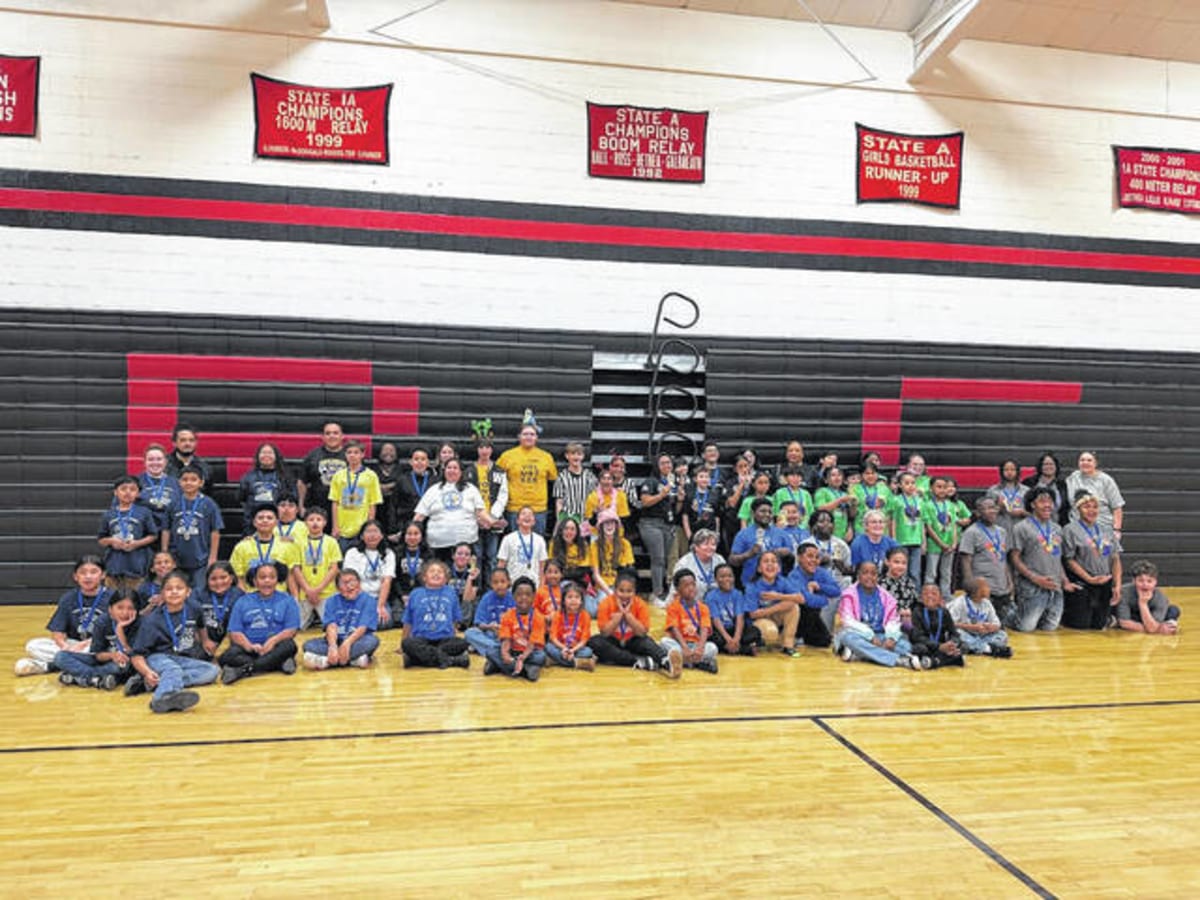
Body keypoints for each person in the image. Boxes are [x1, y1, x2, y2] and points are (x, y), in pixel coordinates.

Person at [128, 569, 219, 713]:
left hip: (182, 658)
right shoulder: (152, 621)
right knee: (172, 670)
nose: (174, 592)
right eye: (169, 589)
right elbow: (136, 655)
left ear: (188, 592)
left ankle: (155, 684)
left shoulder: (194, 607)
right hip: (158, 658)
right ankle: (160, 699)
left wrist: (206, 640)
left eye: (179, 588)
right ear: (162, 594)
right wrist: (146, 672)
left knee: (212, 671)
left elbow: (201, 625)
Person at [14, 555, 113, 677]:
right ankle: (71, 661)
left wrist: (82, 645)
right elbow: (57, 631)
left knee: (108, 651)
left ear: (103, 575)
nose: (88, 576)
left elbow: (115, 633)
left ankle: (48, 666)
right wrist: (64, 646)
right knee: (33, 645)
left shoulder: (113, 598)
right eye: (83, 572)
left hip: (99, 645)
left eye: (93, 572)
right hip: (74, 645)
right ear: (76, 577)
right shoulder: (68, 598)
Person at [1008, 486, 1077, 632]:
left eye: (1050, 501)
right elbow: (1014, 558)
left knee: (1050, 627)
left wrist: (1065, 581)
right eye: (1042, 501)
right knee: (1026, 628)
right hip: (1032, 586)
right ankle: (1006, 613)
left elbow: (1057, 558)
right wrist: (1035, 578)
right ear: (1032, 504)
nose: (1047, 505)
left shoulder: (1057, 528)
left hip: (1055, 585)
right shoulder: (1021, 527)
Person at [218, 560, 300, 684]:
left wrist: (272, 641)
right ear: (255, 581)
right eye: (262, 577)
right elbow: (234, 631)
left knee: (289, 646)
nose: (267, 580)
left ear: (277, 580)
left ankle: (243, 671)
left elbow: (291, 630)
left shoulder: (288, 600)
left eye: (272, 577)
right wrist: (249, 646)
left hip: (275, 646)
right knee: (226, 657)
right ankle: (277, 663)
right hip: (249, 649)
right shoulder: (242, 601)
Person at [587, 570, 681, 677]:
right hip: (613, 641)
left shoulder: (640, 604)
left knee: (647, 642)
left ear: (635, 592)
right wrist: (617, 618)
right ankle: (637, 660)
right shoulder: (606, 603)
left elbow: (642, 632)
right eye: (621, 591)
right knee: (594, 642)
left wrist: (628, 616)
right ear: (615, 590)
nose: (625, 595)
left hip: (633, 640)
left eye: (629, 591)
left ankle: (666, 662)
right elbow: (605, 633)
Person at [832, 561, 921, 670]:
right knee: (848, 638)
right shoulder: (848, 595)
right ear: (858, 575)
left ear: (877, 576)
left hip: (880, 635)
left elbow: (893, 620)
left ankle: (860, 655)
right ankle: (898, 660)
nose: (869, 577)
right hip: (857, 634)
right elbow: (848, 621)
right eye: (865, 573)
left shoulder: (887, 597)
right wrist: (870, 636)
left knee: (906, 646)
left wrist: (891, 637)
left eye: (873, 574)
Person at [54, 588, 140, 689]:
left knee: (123, 666)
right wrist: (112, 656)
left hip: (124, 664)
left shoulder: (141, 624)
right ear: (110, 609)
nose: (125, 612)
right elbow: (97, 655)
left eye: (130, 608)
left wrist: (120, 629)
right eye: (120, 608)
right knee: (61, 657)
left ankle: (80, 677)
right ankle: (95, 679)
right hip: (104, 661)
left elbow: (133, 655)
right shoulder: (102, 621)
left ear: (137, 611)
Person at [1063, 491, 1123, 630]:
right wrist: (1089, 579)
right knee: (1081, 624)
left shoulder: (1107, 529)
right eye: (1086, 507)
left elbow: (1115, 558)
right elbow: (1069, 560)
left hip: (1104, 580)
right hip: (1083, 580)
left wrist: (1117, 585)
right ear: (1078, 509)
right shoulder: (1070, 530)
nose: (1091, 510)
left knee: (1099, 625)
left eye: (1094, 507)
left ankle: (1110, 616)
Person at [302, 568, 380, 670]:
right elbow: (331, 625)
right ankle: (353, 660)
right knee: (308, 645)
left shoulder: (369, 600)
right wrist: (333, 647)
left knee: (372, 641)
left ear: (359, 583)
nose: (349, 585)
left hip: (356, 640)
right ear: (338, 588)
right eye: (345, 583)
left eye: (352, 581)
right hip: (336, 640)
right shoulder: (331, 601)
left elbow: (362, 628)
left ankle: (327, 661)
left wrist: (347, 644)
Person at [399, 560, 470, 669]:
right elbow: (408, 621)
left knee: (463, 643)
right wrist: (402, 642)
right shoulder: (415, 593)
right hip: (422, 639)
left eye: (440, 572)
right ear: (424, 577)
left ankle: (417, 660)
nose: (436, 574)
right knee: (407, 644)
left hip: (444, 639)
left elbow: (455, 621)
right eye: (432, 571)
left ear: (446, 579)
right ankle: (452, 660)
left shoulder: (451, 593)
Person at [162, 464, 223, 590]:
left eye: (193, 479)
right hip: (176, 559)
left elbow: (215, 532)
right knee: (177, 589)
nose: (189, 483)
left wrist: (212, 558)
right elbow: (166, 530)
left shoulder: (209, 504)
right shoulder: (173, 503)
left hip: (201, 559)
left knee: (198, 592)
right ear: (179, 482)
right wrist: (165, 552)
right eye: (185, 479)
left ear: (201, 482)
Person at [413, 457, 487, 559]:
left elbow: (481, 512)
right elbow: (419, 516)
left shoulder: (471, 489)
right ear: (444, 471)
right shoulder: (434, 490)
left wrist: (492, 522)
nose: (451, 470)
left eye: (455, 468)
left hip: (466, 544)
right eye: (449, 467)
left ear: (461, 472)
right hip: (438, 545)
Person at [97, 475, 158, 592]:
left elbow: (153, 535)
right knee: (112, 598)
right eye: (123, 489)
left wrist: (137, 543)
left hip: (136, 563)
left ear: (138, 493)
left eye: (132, 489)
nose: (128, 492)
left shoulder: (144, 512)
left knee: (135, 599)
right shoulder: (108, 514)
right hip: (114, 564)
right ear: (115, 492)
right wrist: (112, 541)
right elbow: (101, 539)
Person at [496, 420, 558, 534]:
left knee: (537, 543)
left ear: (536, 438)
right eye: (525, 434)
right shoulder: (507, 456)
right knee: (515, 544)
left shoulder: (546, 457)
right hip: (515, 508)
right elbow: (496, 480)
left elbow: (552, 478)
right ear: (519, 437)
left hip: (538, 509)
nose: (528, 437)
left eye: (532, 434)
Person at [957, 497, 1014, 622]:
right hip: (984, 589)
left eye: (993, 507)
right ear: (977, 513)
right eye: (986, 508)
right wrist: (970, 584)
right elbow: (966, 560)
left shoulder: (1002, 532)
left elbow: (1004, 559)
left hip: (1002, 588)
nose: (991, 511)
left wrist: (1010, 582)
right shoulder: (971, 532)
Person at [462, 429, 508, 580]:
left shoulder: (498, 471)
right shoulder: (469, 471)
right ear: (477, 450)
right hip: (475, 521)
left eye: (487, 447)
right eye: (481, 447)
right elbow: (466, 496)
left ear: (491, 450)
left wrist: (492, 517)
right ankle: (476, 590)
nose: (484, 451)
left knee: (492, 557)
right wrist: (479, 517)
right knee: (477, 556)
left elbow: (503, 494)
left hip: (493, 520)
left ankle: (491, 588)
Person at [638, 452, 684, 605]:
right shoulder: (651, 481)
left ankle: (665, 592)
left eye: (669, 463)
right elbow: (644, 502)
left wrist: (680, 500)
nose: (667, 466)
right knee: (658, 559)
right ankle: (656, 593)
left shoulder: (673, 483)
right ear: (657, 466)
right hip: (651, 523)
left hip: (668, 524)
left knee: (666, 560)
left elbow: (675, 510)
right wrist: (661, 494)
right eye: (663, 463)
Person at [483, 576, 547, 681]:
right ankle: (526, 670)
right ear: (513, 596)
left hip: (529, 652)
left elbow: (532, 643)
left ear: (534, 596)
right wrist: (505, 654)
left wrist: (523, 657)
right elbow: (506, 639)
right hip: (512, 650)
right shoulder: (508, 615)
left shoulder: (539, 617)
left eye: (528, 594)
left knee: (541, 657)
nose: (524, 598)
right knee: (490, 651)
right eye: (519, 594)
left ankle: (498, 666)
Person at [230, 503, 301, 594]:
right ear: (254, 522)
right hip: (252, 598)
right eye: (260, 518)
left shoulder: (286, 547)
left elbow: (290, 577)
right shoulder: (241, 547)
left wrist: (295, 600)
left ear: (276, 522)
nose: (265, 520)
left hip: (278, 599)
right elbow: (239, 578)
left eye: (269, 518)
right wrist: (246, 599)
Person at [743, 551, 802, 656]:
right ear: (759, 569)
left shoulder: (782, 581)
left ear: (779, 568)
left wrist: (778, 596)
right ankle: (759, 641)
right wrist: (779, 606)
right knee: (770, 632)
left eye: (774, 561)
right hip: (757, 621)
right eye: (766, 561)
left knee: (794, 608)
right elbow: (753, 614)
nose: (770, 564)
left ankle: (788, 645)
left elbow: (800, 598)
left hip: (772, 615)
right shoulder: (752, 586)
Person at [328, 439, 382, 552]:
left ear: (362, 454)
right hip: (342, 527)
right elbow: (335, 502)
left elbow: (372, 503)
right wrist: (335, 526)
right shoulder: (338, 476)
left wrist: (369, 527)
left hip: (361, 527)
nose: (352, 455)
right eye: (349, 452)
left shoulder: (371, 476)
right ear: (345, 455)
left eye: (356, 452)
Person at [661, 571, 719, 674]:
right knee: (664, 642)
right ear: (678, 590)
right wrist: (684, 648)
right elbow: (674, 628)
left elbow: (704, 628)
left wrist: (700, 648)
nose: (691, 588)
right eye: (686, 586)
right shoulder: (673, 607)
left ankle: (685, 662)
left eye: (693, 584)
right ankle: (698, 662)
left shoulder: (703, 607)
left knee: (712, 648)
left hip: (696, 645)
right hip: (680, 644)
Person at [294, 507, 342, 627]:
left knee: (333, 626)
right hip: (305, 592)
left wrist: (318, 590)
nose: (315, 523)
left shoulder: (331, 542)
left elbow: (334, 568)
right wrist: (309, 590)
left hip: (326, 592)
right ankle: (310, 619)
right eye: (311, 519)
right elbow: (296, 568)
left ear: (325, 522)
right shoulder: (299, 542)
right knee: (296, 626)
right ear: (305, 523)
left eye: (319, 519)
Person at [342, 520, 395, 630]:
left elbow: (386, 581)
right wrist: (364, 603)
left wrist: (380, 606)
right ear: (361, 536)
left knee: (385, 622)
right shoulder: (352, 553)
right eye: (368, 532)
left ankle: (362, 623)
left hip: (378, 598)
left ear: (381, 535)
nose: (372, 535)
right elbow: (350, 580)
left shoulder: (389, 553)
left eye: (375, 531)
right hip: (357, 597)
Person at [729, 497, 791, 587]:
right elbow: (732, 560)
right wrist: (748, 554)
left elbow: (792, 557)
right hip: (750, 584)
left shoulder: (781, 533)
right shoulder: (743, 534)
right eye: (762, 511)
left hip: (777, 585)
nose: (767, 514)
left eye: (770, 512)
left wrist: (785, 552)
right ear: (753, 513)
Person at [238, 443, 296, 536]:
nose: (266, 455)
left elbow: (291, 500)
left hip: (278, 526)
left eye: (270, 453)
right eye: (263, 452)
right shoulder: (248, 477)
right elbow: (241, 498)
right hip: (252, 526)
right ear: (258, 456)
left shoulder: (285, 478)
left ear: (276, 456)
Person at [789, 541, 841, 642]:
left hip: (813, 615)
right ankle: (794, 636)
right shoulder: (794, 576)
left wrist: (819, 586)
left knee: (824, 641)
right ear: (799, 558)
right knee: (806, 607)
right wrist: (824, 599)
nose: (814, 560)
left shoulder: (821, 572)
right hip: (798, 616)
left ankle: (805, 637)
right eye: (809, 556)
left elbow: (836, 591)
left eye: (817, 557)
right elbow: (807, 600)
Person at [705, 562, 760, 655]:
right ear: (716, 579)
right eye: (722, 576)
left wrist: (736, 638)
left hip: (734, 628)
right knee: (712, 637)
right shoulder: (710, 596)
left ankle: (731, 648)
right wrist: (728, 639)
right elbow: (716, 620)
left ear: (734, 578)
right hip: (720, 630)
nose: (726, 579)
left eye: (730, 576)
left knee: (755, 632)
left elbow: (740, 617)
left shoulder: (738, 594)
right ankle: (743, 649)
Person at [1066, 452, 1125, 539]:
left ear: (1095, 463)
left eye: (1089, 460)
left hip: (1102, 527)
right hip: (1078, 530)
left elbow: (1117, 507)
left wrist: (1117, 529)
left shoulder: (1106, 480)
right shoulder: (1073, 478)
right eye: (1082, 460)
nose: (1085, 463)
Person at [948, 579, 1012, 657]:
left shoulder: (987, 603)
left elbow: (997, 624)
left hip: (983, 635)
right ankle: (988, 649)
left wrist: (990, 627)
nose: (989, 589)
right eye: (987, 587)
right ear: (978, 591)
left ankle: (978, 648)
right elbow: (950, 623)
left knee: (1002, 635)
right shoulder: (960, 602)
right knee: (958, 634)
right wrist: (971, 627)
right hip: (967, 633)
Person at [1116, 560, 1181, 635]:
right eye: (1140, 581)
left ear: (1155, 582)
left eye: (1149, 581)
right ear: (1134, 581)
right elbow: (1124, 623)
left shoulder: (1161, 598)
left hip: (1149, 617)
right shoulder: (1124, 592)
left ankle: (1168, 625)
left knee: (1173, 610)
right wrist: (1157, 629)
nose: (1145, 584)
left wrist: (1143, 604)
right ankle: (1164, 626)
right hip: (1132, 616)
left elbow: (1152, 628)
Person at [588, 508, 635, 612]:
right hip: (602, 586)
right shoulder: (594, 546)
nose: (609, 526)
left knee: (626, 607)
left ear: (617, 526)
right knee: (602, 608)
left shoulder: (625, 544)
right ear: (600, 527)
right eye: (606, 523)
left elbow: (627, 573)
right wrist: (609, 592)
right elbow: (596, 575)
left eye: (612, 523)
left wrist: (620, 592)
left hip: (620, 585)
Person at [922, 476, 960, 599]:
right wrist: (940, 543)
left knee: (946, 572)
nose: (942, 490)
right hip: (934, 545)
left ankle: (946, 596)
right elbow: (928, 527)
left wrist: (954, 542)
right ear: (931, 488)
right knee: (931, 573)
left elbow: (954, 525)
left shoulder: (950, 505)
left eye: (944, 487)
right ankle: (929, 596)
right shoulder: (927, 505)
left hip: (949, 544)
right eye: (938, 487)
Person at [909, 584, 964, 669]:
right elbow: (917, 636)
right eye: (926, 594)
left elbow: (954, 632)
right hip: (927, 646)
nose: (930, 596)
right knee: (920, 649)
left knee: (962, 648)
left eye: (934, 593)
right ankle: (938, 661)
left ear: (940, 598)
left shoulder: (944, 612)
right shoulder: (917, 611)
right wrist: (938, 646)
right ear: (921, 598)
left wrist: (952, 644)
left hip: (942, 647)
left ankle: (933, 662)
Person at [196, 561, 242, 661]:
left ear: (231, 578)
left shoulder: (239, 595)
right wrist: (205, 641)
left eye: (223, 577)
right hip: (203, 641)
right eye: (213, 579)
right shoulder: (198, 594)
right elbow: (191, 621)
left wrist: (223, 646)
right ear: (207, 580)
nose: (218, 582)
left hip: (228, 642)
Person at [545, 581, 596, 671]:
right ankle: (577, 663)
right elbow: (553, 637)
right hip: (561, 647)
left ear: (581, 601)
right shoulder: (558, 615)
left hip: (577, 648)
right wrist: (564, 648)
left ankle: (556, 661)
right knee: (548, 647)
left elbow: (584, 640)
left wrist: (573, 650)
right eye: (569, 597)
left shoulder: (585, 615)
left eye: (577, 597)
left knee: (588, 651)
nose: (573, 600)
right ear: (563, 601)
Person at [464, 567, 514, 658]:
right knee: (469, 633)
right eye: (495, 582)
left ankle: (487, 650)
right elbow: (479, 624)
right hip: (490, 634)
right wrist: (490, 626)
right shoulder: (486, 598)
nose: (499, 585)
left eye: (503, 582)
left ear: (509, 582)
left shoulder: (514, 598)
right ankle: (497, 649)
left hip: (509, 636)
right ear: (491, 584)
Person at [298, 421, 347, 512]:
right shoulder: (312, 455)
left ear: (342, 436)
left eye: (335, 433)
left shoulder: (350, 455)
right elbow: (302, 482)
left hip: (344, 508)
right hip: (317, 508)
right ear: (323, 437)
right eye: (328, 433)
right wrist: (301, 505)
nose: (331, 436)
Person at [888, 471, 926, 585]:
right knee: (901, 571)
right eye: (907, 483)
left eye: (913, 483)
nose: (911, 485)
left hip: (916, 541)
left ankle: (915, 596)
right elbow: (892, 521)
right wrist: (893, 539)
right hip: (901, 541)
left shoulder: (920, 501)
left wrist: (923, 541)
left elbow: (922, 522)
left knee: (915, 572)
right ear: (900, 485)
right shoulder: (896, 500)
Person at [496, 505, 548, 586]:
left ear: (534, 521)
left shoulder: (540, 540)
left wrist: (541, 586)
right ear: (517, 521)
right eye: (523, 513)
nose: (527, 516)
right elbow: (501, 564)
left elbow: (542, 567)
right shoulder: (508, 539)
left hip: (534, 585)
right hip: (512, 584)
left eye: (530, 514)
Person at [390, 522, 431, 626]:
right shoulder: (396, 553)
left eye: (416, 534)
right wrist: (402, 595)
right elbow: (394, 578)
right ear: (404, 535)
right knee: (399, 619)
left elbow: (429, 579)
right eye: (409, 534)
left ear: (422, 535)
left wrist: (416, 596)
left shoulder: (428, 553)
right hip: (401, 594)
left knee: (422, 617)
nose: (412, 537)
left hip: (422, 593)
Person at [670, 528, 725, 604]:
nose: (710, 547)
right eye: (706, 544)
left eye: (713, 544)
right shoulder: (684, 563)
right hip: (691, 606)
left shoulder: (720, 560)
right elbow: (675, 591)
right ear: (696, 547)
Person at [137, 444, 182, 535]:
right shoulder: (135, 482)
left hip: (171, 532)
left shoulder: (176, 483)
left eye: (159, 459)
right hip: (144, 532)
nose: (155, 463)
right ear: (144, 462)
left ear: (165, 462)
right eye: (150, 459)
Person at [553, 441, 597, 527]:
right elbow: (559, 503)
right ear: (567, 456)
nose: (576, 457)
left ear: (583, 456)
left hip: (586, 520)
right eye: (573, 454)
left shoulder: (590, 476)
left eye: (579, 454)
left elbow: (595, 499)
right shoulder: (561, 477)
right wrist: (560, 521)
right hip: (568, 520)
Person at [393, 446, 434, 535]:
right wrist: (394, 528)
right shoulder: (402, 480)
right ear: (411, 462)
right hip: (406, 524)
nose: (419, 462)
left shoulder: (435, 481)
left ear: (428, 463)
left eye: (423, 459)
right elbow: (393, 505)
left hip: (430, 525)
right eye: (416, 459)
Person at [986, 458, 1029, 545]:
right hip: (1000, 531)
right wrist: (998, 506)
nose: (1009, 472)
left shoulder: (1026, 491)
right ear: (1001, 472)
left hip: (1021, 531)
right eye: (1006, 469)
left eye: (1012, 469)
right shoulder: (993, 490)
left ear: (1017, 471)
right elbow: (986, 513)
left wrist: (1022, 512)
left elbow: (1033, 514)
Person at [1022, 451, 1071, 526]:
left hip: (1057, 527)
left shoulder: (1062, 484)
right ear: (1040, 467)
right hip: (1033, 526)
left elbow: (1065, 508)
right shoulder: (1029, 483)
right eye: (1045, 464)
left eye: (1051, 464)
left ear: (1056, 466)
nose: (1048, 467)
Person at [810, 509, 852, 589]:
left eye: (829, 522)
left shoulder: (841, 544)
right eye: (821, 521)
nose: (826, 524)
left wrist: (841, 566)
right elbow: (800, 570)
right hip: (816, 583)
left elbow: (849, 571)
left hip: (837, 582)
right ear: (814, 526)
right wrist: (818, 563)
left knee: (847, 580)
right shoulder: (807, 544)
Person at [880, 546, 919, 633]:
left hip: (909, 621)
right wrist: (899, 612)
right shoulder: (880, 584)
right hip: (888, 624)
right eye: (896, 562)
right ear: (887, 562)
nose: (900, 566)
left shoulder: (909, 582)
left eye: (904, 563)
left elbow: (916, 603)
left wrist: (910, 612)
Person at [682, 465, 723, 546]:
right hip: (695, 532)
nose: (704, 479)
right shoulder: (690, 494)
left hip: (710, 532)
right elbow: (685, 515)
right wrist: (689, 534)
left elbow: (717, 516)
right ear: (695, 479)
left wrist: (717, 533)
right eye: (701, 477)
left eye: (707, 477)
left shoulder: (715, 494)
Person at [814, 466, 856, 542]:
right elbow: (820, 509)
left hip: (844, 533)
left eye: (839, 475)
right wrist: (840, 500)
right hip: (826, 533)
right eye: (833, 475)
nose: (837, 478)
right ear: (826, 480)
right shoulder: (822, 491)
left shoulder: (845, 493)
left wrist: (853, 505)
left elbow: (851, 515)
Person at [370, 440, 402, 537]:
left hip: (395, 511)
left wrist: (383, 486)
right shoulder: (372, 469)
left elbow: (403, 483)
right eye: (385, 450)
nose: (388, 453)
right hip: (377, 510)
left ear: (396, 454)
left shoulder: (402, 469)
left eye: (391, 450)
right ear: (379, 453)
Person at [165, 424, 212, 490]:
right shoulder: (164, 466)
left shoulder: (204, 468)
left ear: (196, 442)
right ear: (174, 443)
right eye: (183, 440)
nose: (187, 443)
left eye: (191, 440)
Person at [446, 542, 482, 628]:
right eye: (459, 553)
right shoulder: (446, 571)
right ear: (453, 556)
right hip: (449, 605)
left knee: (471, 603)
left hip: (465, 608)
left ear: (470, 558)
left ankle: (463, 627)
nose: (462, 557)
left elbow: (468, 598)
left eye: (466, 554)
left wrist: (470, 578)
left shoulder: (475, 573)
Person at [548, 516, 591, 585]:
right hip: (558, 581)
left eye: (572, 529)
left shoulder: (583, 544)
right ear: (561, 530)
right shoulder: (554, 544)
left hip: (579, 581)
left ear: (577, 532)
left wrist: (563, 573)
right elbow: (552, 566)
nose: (569, 532)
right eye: (566, 529)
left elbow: (584, 569)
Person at [850, 464, 891, 536]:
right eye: (867, 473)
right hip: (862, 530)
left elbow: (890, 513)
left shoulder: (885, 489)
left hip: (881, 530)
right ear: (862, 475)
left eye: (873, 473)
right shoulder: (855, 489)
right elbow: (852, 514)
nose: (870, 476)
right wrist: (854, 505)